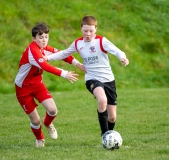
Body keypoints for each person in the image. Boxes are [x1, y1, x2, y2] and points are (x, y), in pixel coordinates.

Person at [45, 16, 129, 140]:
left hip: (108, 80)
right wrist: (47, 58)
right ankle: (105, 136)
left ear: (96, 29)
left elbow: (117, 51)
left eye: (91, 31)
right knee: (102, 100)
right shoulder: (78, 43)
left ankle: (109, 136)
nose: (88, 34)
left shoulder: (101, 41)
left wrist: (123, 57)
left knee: (112, 117)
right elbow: (64, 53)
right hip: (92, 78)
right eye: (85, 31)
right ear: (81, 29)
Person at [14, 23, 85, 147]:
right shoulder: (33, 51)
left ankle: (47, 124)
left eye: (46, 37)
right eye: (40, 37)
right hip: (23, 89)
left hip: (37, 85)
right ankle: (40, 139)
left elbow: (63, 54)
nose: (44, 40)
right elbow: (44, 66)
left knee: (52, 109)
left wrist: (78, 64)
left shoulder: (45, 48)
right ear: (34, 39)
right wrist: (64, 73)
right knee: (35, 120)